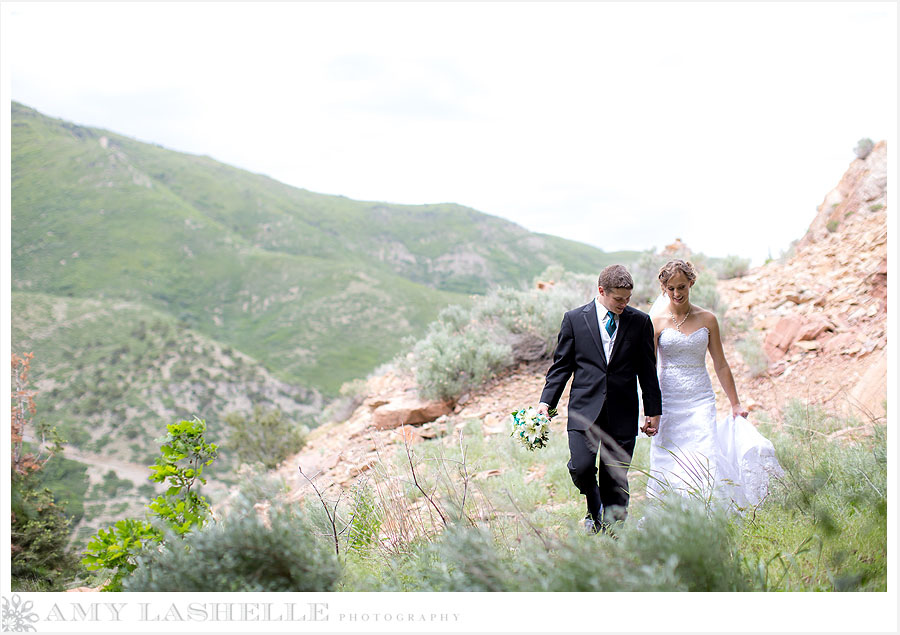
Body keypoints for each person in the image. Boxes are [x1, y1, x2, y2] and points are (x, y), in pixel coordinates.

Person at [646, 259, 782, 509]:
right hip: (669, 401)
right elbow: (648, 371)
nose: (677, 293)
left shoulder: (707, 319)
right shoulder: (655, 323)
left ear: (691, 283)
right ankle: (674, 516)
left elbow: (720, 363)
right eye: (671, 288)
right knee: (669, 459)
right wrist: (650, 410)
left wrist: (735, 403)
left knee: (704, 456)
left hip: (700, 399)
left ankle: (709, 515)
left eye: (682, 287)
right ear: (664, 288)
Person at [538, 264, 662, 534]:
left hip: (623, 412)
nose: (624, 304)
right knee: (582, 468)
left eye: (628, 299)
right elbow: (561, 367)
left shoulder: (640, 322)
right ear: (601, 291)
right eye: (618, 299)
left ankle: (614, 534)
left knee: (615, 477)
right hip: (584, 411)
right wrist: (546, 403)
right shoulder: (574, 319)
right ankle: (594, 511)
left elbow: (647, 371)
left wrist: (653, 410)